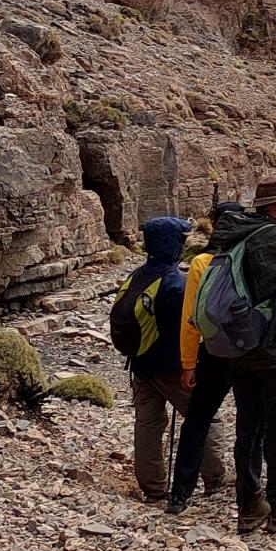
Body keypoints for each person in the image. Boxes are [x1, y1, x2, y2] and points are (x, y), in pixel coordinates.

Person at [167, 175, 276, 533]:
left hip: (243, 349)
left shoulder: (236, 233)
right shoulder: (273, 238)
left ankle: (249, 505)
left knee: (249, 428)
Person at [112, 215, 226, 503]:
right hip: (172, 368)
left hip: (140, 365)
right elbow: (190, 327)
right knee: (204, 418)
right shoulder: (177, 284)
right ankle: (215, 479)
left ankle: (154, 489)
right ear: (174, 244)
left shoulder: (137, 275)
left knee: (148, 424)